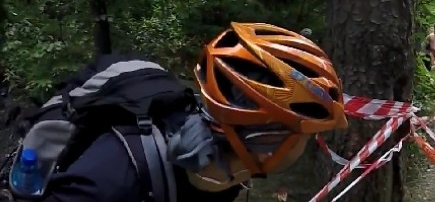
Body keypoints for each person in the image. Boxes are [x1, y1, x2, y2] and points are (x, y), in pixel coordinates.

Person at [1, 22, 348, 202]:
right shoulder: (109, 185)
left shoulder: (223, 174)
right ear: (265, 140)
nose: (308, 146)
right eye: (305, 135)